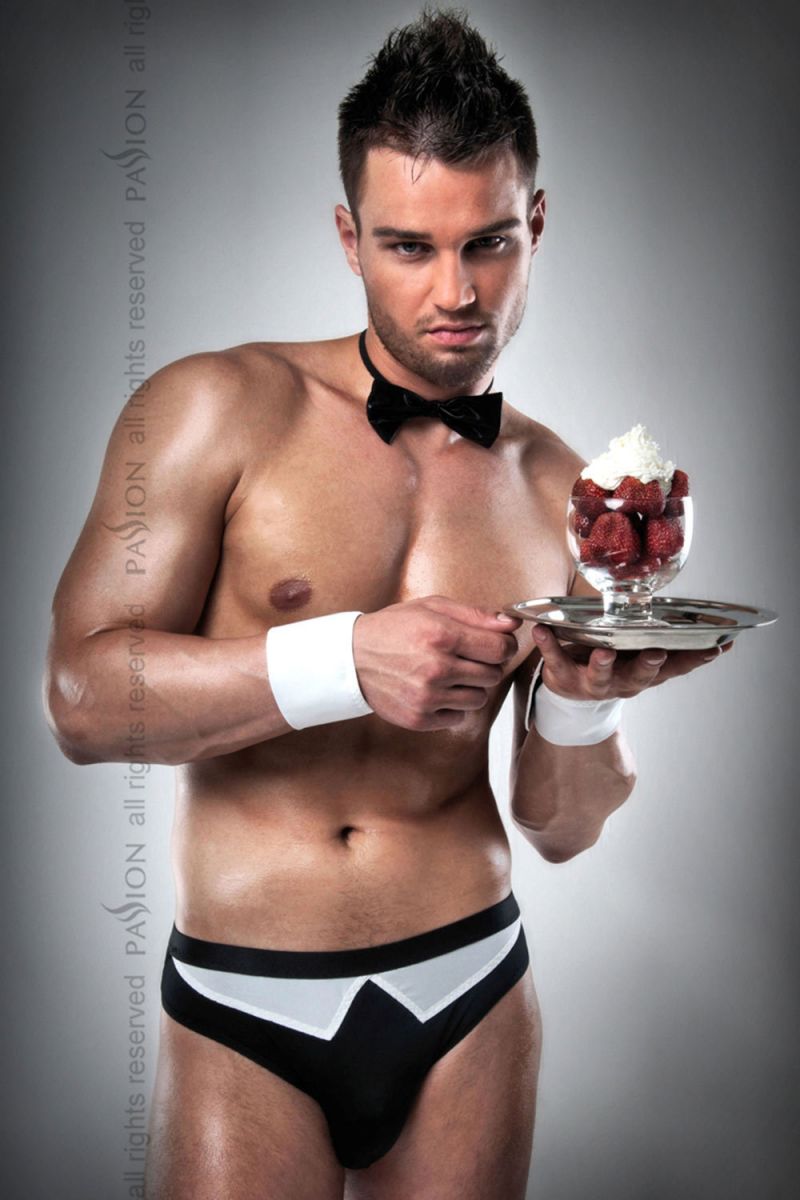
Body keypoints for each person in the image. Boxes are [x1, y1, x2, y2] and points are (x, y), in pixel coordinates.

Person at [43, 10, 729, 1198]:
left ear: (535, 224)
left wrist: (579, 701)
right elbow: (82, 700)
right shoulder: (212, 408)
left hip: (469, 983)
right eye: (408, 247)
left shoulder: (564, 491)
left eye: (488, 243)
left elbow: (560, 830)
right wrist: (343, 659)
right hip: (246, 994)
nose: (454, 292)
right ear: (348, 238)